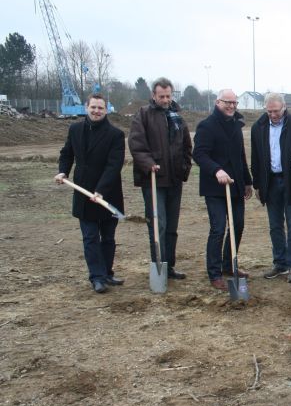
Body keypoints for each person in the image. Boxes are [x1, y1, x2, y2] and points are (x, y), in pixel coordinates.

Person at [55, 93, 125, 294]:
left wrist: (101, 191)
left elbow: (114, 166)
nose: (96, 111)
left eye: (100, 108)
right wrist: (63, 171)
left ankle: (107, 272)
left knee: (108, 237)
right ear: (86, 107)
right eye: (93, 107)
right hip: (83, 194)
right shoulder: (75, 129)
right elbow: (66, 153)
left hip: (108, 194)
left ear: (106, 110)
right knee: (90, 237)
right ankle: (97, 277)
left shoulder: (115, 135)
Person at [128, 77, 193, 280]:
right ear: (153, 96)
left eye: (168, 96)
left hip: (174, 180)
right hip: (154, 180)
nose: (165, 100)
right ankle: (159, 269)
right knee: (159, 225)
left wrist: (184, 167)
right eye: (161, 96)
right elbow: (136, 144)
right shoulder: (143, 115)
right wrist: (149, 164)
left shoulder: (177, 117)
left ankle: (170, 267)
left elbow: (186, 146)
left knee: (172, 226)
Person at [192, 89, 253, 291]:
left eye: (234, 103)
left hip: (235, 186)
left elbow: (240, 156)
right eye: (227, 102)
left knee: (238, 226)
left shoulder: (236, 125)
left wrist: (247, 181)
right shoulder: (206, 126)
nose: (231, 106)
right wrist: (216, 170)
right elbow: (199, 154)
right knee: (218, 228)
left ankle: (229, 265)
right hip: (214, 188)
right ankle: (214, 272)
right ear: (218, 102)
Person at [251, 92, 291, 283]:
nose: (273, 115)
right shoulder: (258, 127)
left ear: (284, 107)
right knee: (275, 226)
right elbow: (256, 158)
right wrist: (258, 185)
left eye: (276, 111)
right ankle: (280, 263)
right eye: (269, 111)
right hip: (270, 183)